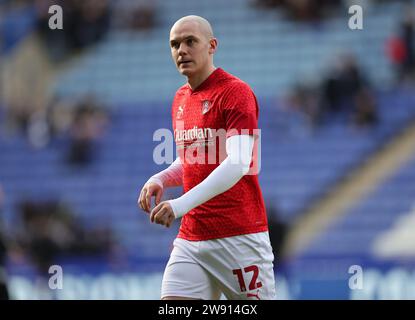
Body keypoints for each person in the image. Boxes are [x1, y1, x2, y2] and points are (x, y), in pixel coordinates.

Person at [137, 15, 276, 300]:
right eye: (175, 44)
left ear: (212, 45)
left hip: (239, 237)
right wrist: (161, 178)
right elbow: (192, 158)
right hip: (192, 238)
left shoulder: (235, 93)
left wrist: (179, 205)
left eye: (190, 42)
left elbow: (238, 163)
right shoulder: (180, 98)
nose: (182, 50)